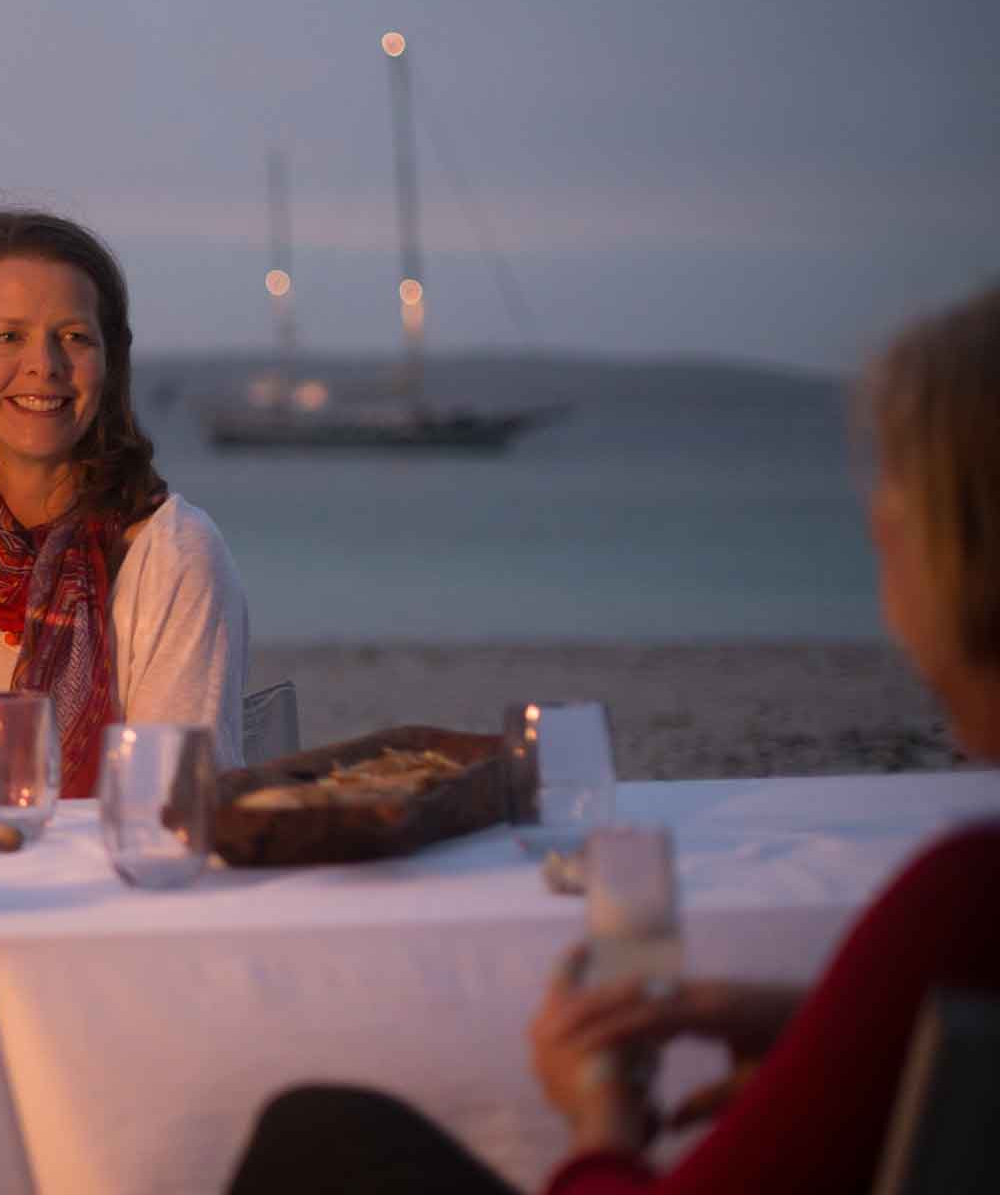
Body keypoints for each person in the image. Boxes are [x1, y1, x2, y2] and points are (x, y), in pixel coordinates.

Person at [226, 282, 1000, 1195]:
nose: (871, 527)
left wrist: (598, 1120)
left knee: (310, 1142)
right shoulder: (961, 914)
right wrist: (823, 1036)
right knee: (325, 1129)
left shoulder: (964, 896)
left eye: (898, 502)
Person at [0, 209, 249, 794]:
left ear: (109, 364)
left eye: (74, 337)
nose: (45, 365)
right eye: (8, 336)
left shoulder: (172, 555)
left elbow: (172, 804)